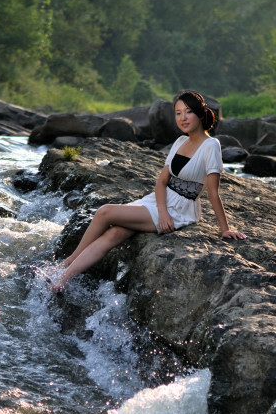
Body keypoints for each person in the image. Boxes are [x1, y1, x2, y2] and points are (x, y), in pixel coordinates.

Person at [50, 90, 246, 292]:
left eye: (188, 112)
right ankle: (63, 279)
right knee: (115, 233)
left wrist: (225, 229)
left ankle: (64, 264)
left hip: (180, 209)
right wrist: (162, 211)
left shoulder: (211, 145)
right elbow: (161, 182)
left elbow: (213, 192)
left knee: (105, 212)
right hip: (159, 202)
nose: (183, 118)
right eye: (178, 113)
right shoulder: (180, 142)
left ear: (199, 113)